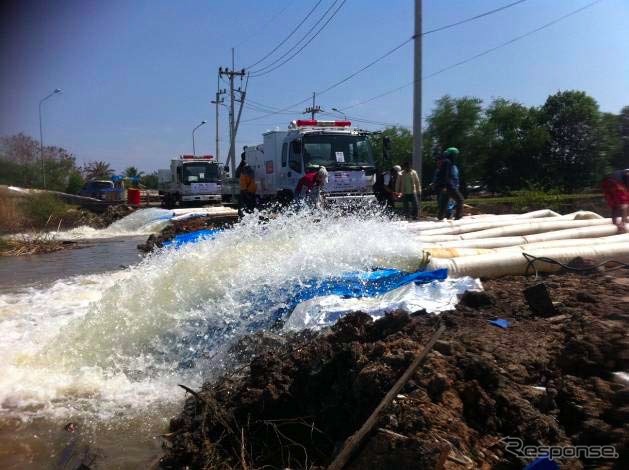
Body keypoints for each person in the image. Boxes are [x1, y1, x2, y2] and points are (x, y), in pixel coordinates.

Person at [434, 147, 464, 220]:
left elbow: (441, 174)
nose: (456, 157)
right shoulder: (448, 162)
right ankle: (458, 217)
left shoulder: (445, 162)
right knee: (460, 200)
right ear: (452, 155)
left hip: (446, 186)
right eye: (455, 155)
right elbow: (445, 175)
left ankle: (440, 217)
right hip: (449, 185)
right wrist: (444, 186)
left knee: (444, 203)